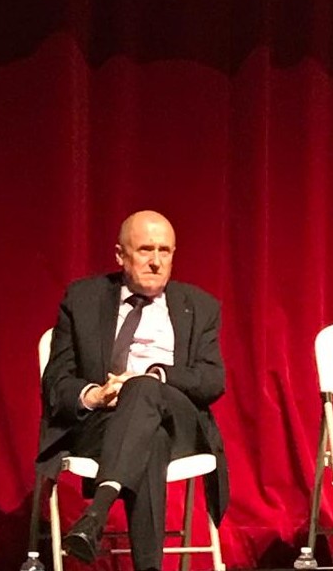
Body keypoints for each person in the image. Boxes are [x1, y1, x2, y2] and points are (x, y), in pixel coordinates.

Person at [37, 210, 228, 571]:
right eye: (144, 250)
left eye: (165, 251)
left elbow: (212, 379)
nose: (156, 262)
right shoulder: (82, 299)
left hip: (179, 423)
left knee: (143, 389)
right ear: (119, 255)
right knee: (148, 439)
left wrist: (157, 376)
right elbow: (56, 384)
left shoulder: (199, 306)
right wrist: (95, 394)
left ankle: (97, 512)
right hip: (104, 425)